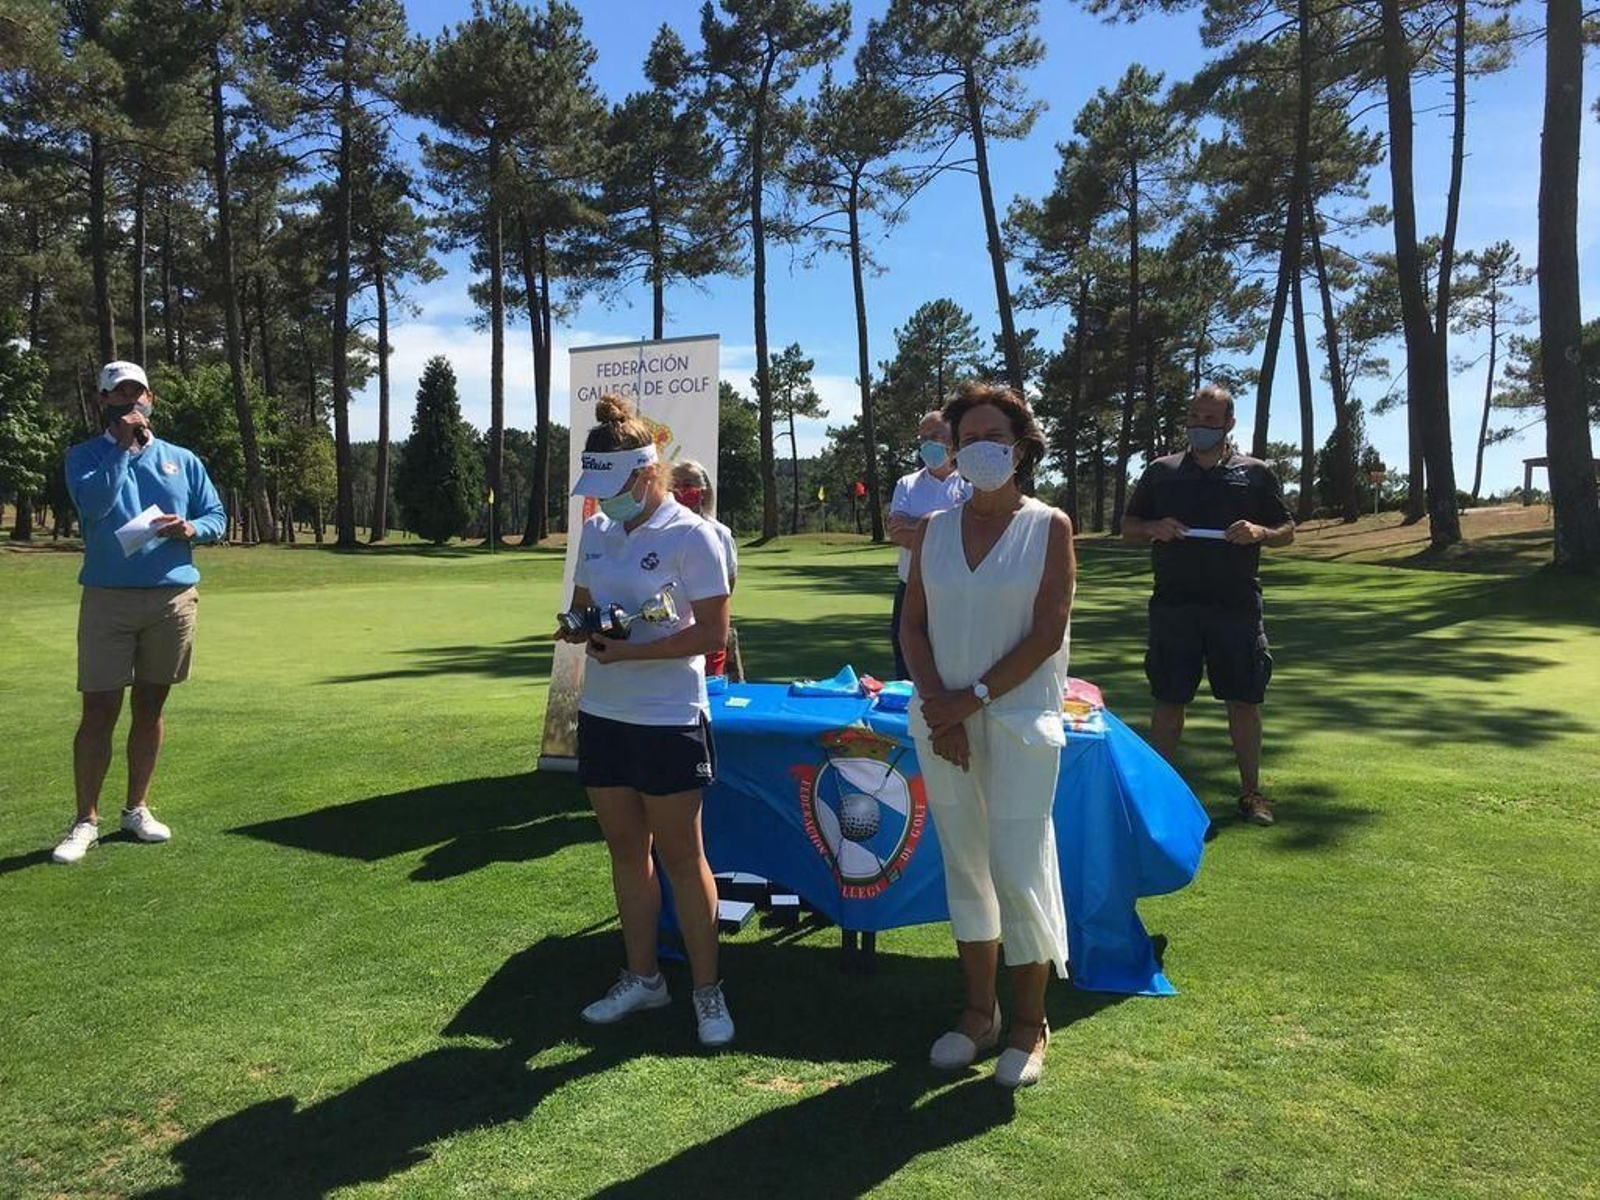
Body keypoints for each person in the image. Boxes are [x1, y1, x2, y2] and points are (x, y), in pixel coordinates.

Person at [899, 382, 1075, 1090]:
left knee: (1016, 865)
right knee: (966, 866)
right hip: (942, 722)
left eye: (991, 438)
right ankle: (980, 1013)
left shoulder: (1049, 526)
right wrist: (939, 706)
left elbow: (1046, 634)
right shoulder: (934, 530)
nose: (977, 450)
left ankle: (1032, 1023)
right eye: (965, 437)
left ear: (1021, 446)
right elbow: (912, 625)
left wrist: (966, 701)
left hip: (1018, 723)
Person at [558, 395, 735, 1048]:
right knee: (626, 854)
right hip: (604, 713)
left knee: (683, 859)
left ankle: (707, 992)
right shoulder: (598, 533)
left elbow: (713, 631)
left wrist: (636, 650)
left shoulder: (694, 535)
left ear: (646, 474)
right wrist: (578, 628)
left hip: (667, 718)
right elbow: (582, 606)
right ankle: (643, 977)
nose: (603, 501)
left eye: (613, 486)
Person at [52, 360, 227, 865]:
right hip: (108, 596)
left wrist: (191, 529)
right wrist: (122, 451)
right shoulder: (84, 457)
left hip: (171, 598)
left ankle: (136, 808)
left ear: (151, 399)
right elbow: (96, 506)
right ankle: (85, 820)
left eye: (140, 394)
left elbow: (216, 515)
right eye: (121, 394)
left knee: (150, 706)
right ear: (104, 402)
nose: (133, 402)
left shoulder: (182, 459)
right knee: (99, 710)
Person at [1122, 384, 1295, 826]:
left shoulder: (1255, 474)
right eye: (1195, 418)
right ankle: (1152, 795)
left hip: (1235, 606)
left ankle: (1251, 793)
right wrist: (1154, 526)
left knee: (1242, 701)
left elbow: (1287, 529)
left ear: (1229, 424)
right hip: (1174, 607)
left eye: (1210, 420)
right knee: (1168, 700)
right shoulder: (1161, 471)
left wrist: (1260, 532)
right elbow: (1128, 525)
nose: (1200, 426)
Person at [887, 411, 971, 680]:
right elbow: (898, 532)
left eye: (934, 436)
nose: (927, 444)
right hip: (911, 588)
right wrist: (949, 528)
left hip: (957, 591)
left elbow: (974, 536)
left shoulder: (971, 485)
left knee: (954, 665)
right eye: (922, 438)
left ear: (953, 438)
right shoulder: (907, 484)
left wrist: (919, 526)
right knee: (906, 663)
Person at [670, 459, 736, 678]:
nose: (680, 491)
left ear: (704, 491)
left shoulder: (719, 533)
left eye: (687, 485)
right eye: (674, 485)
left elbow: (728, 583)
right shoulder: (658, 531)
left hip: (706, 634)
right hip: (670, 634)